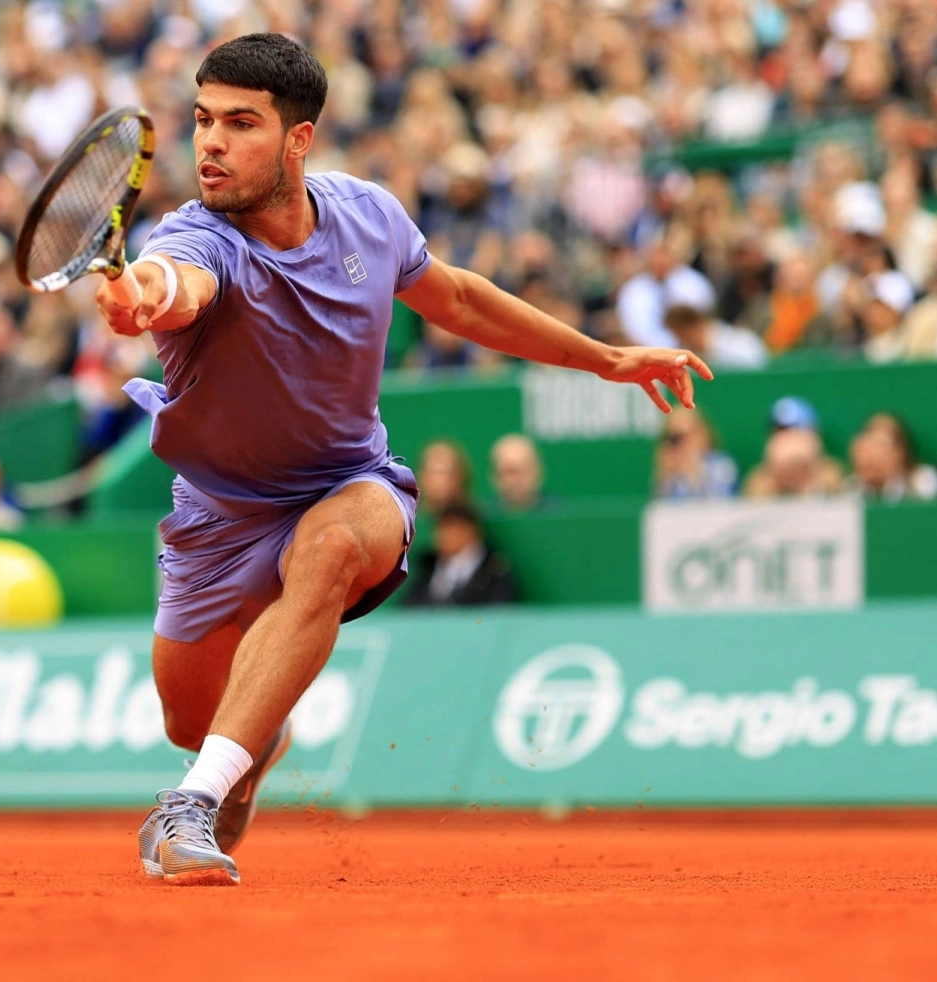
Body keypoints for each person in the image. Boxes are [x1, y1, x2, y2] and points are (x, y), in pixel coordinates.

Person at [93, 34, 710, 887]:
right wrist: (139, 299)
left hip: (350, 484)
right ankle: (248, 743)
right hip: (217, 518)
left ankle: (186, 805)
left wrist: (604, 357)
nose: (211, 143)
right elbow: (172, 285)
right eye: (202, 121)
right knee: (189, 718)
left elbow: (455, 297)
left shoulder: (369, 216)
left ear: (298, 140)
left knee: (334, 547)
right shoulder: (197, 239)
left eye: (240, 123)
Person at [402, 502, 518, 607]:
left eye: (452, 528)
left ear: (472, 531)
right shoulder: (427, 568)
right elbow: (409, 607)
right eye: (441, 528)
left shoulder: (495, 572)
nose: (443, 536)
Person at [653, 409, 739, 499]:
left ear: (702, 434)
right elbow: (660, 507)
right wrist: (664, 476)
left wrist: (694, 473)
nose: (679, 444)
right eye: (673, 439)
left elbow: (721, 503)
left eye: (683, 436)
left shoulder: (722, 465)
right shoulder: (672, 471)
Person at [416, 440, 472, 519]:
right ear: (422, 477)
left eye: (446, 472)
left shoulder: (479, 523)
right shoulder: (406, 523)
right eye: (434, 472)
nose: (440, 480)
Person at [490, 435, 546, 513]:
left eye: (523, 471)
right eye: (508, 472)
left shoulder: (557, 514)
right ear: (494, 475)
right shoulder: (481, 517)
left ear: (536, 471)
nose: (514, 480)